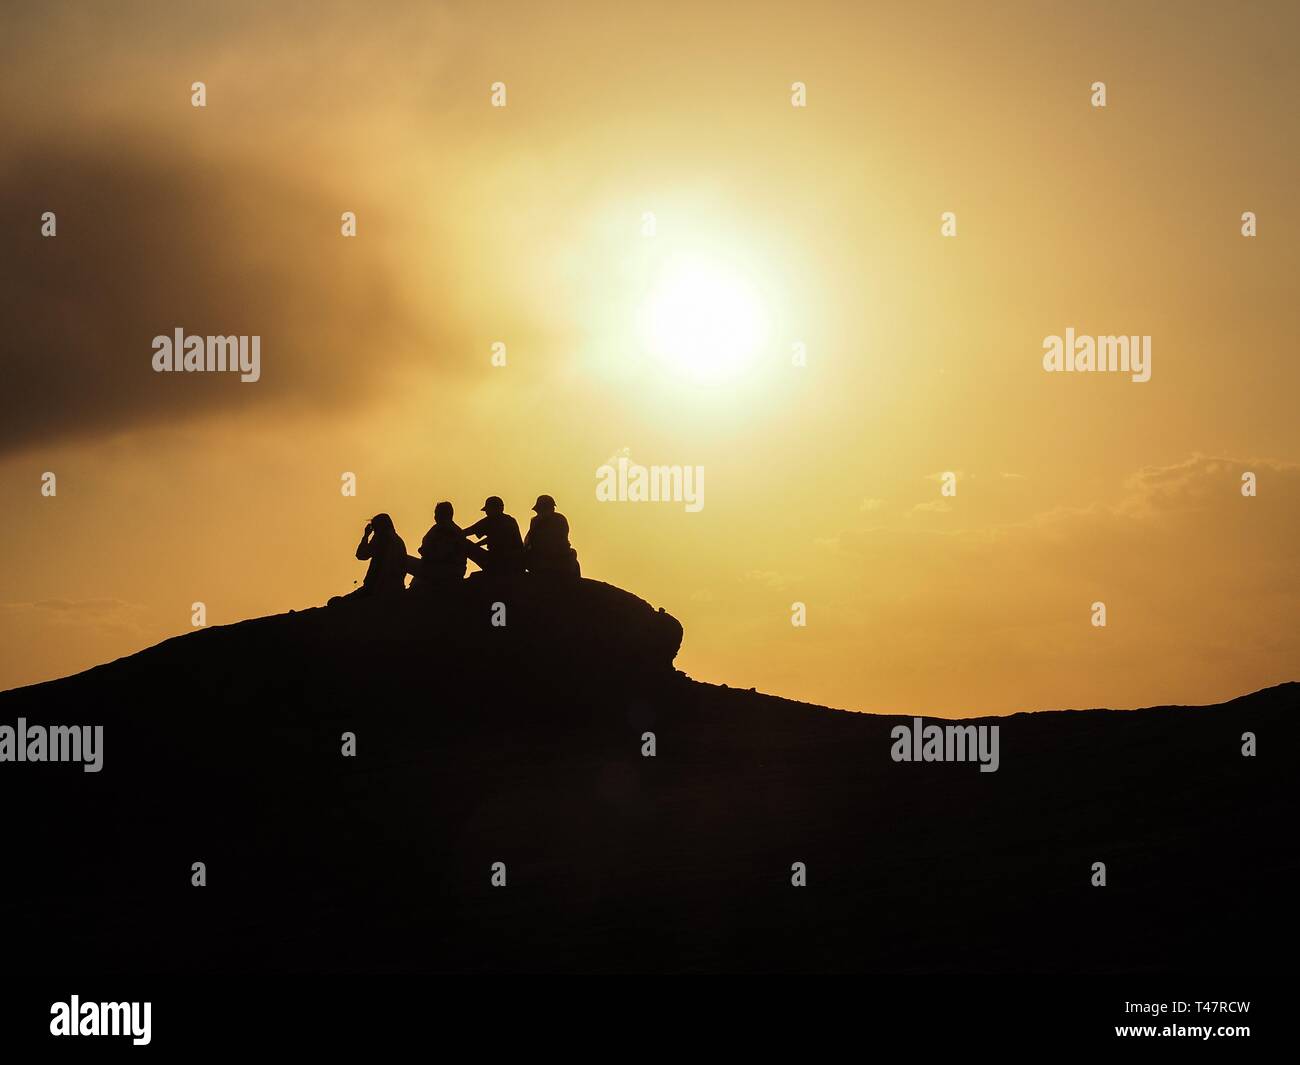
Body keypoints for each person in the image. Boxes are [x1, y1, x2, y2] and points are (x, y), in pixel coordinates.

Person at [330, 513, 408, 604]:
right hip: (395, 586)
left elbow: (361, 555)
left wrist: (366, 535)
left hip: (377, 588)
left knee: (335, 602)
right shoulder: (398, 540)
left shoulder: (382, 538)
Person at [459, 496, 525, 576]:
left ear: (493, 509)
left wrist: (451, 533)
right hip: (515, 564)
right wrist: (478, 545)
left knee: (464, 543)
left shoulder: (490, 521)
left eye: (487, 510)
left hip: (496, 562)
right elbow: (496, 538)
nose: (486, 513)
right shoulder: (510, 521)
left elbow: (467, 532)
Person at [411, 500, 466, 590]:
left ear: (444, 514)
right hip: (440, 568)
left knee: (402, 559)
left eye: (437, 513)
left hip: (444, 571)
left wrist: (425, 552)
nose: (435, 517)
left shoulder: (449, 531)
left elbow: (442, 554)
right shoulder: (439, 528)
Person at [524, 494, 580, 577]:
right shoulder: (538, 521)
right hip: (545, 560)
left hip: (555, 559)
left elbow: (561, 540)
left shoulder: (557, 520)